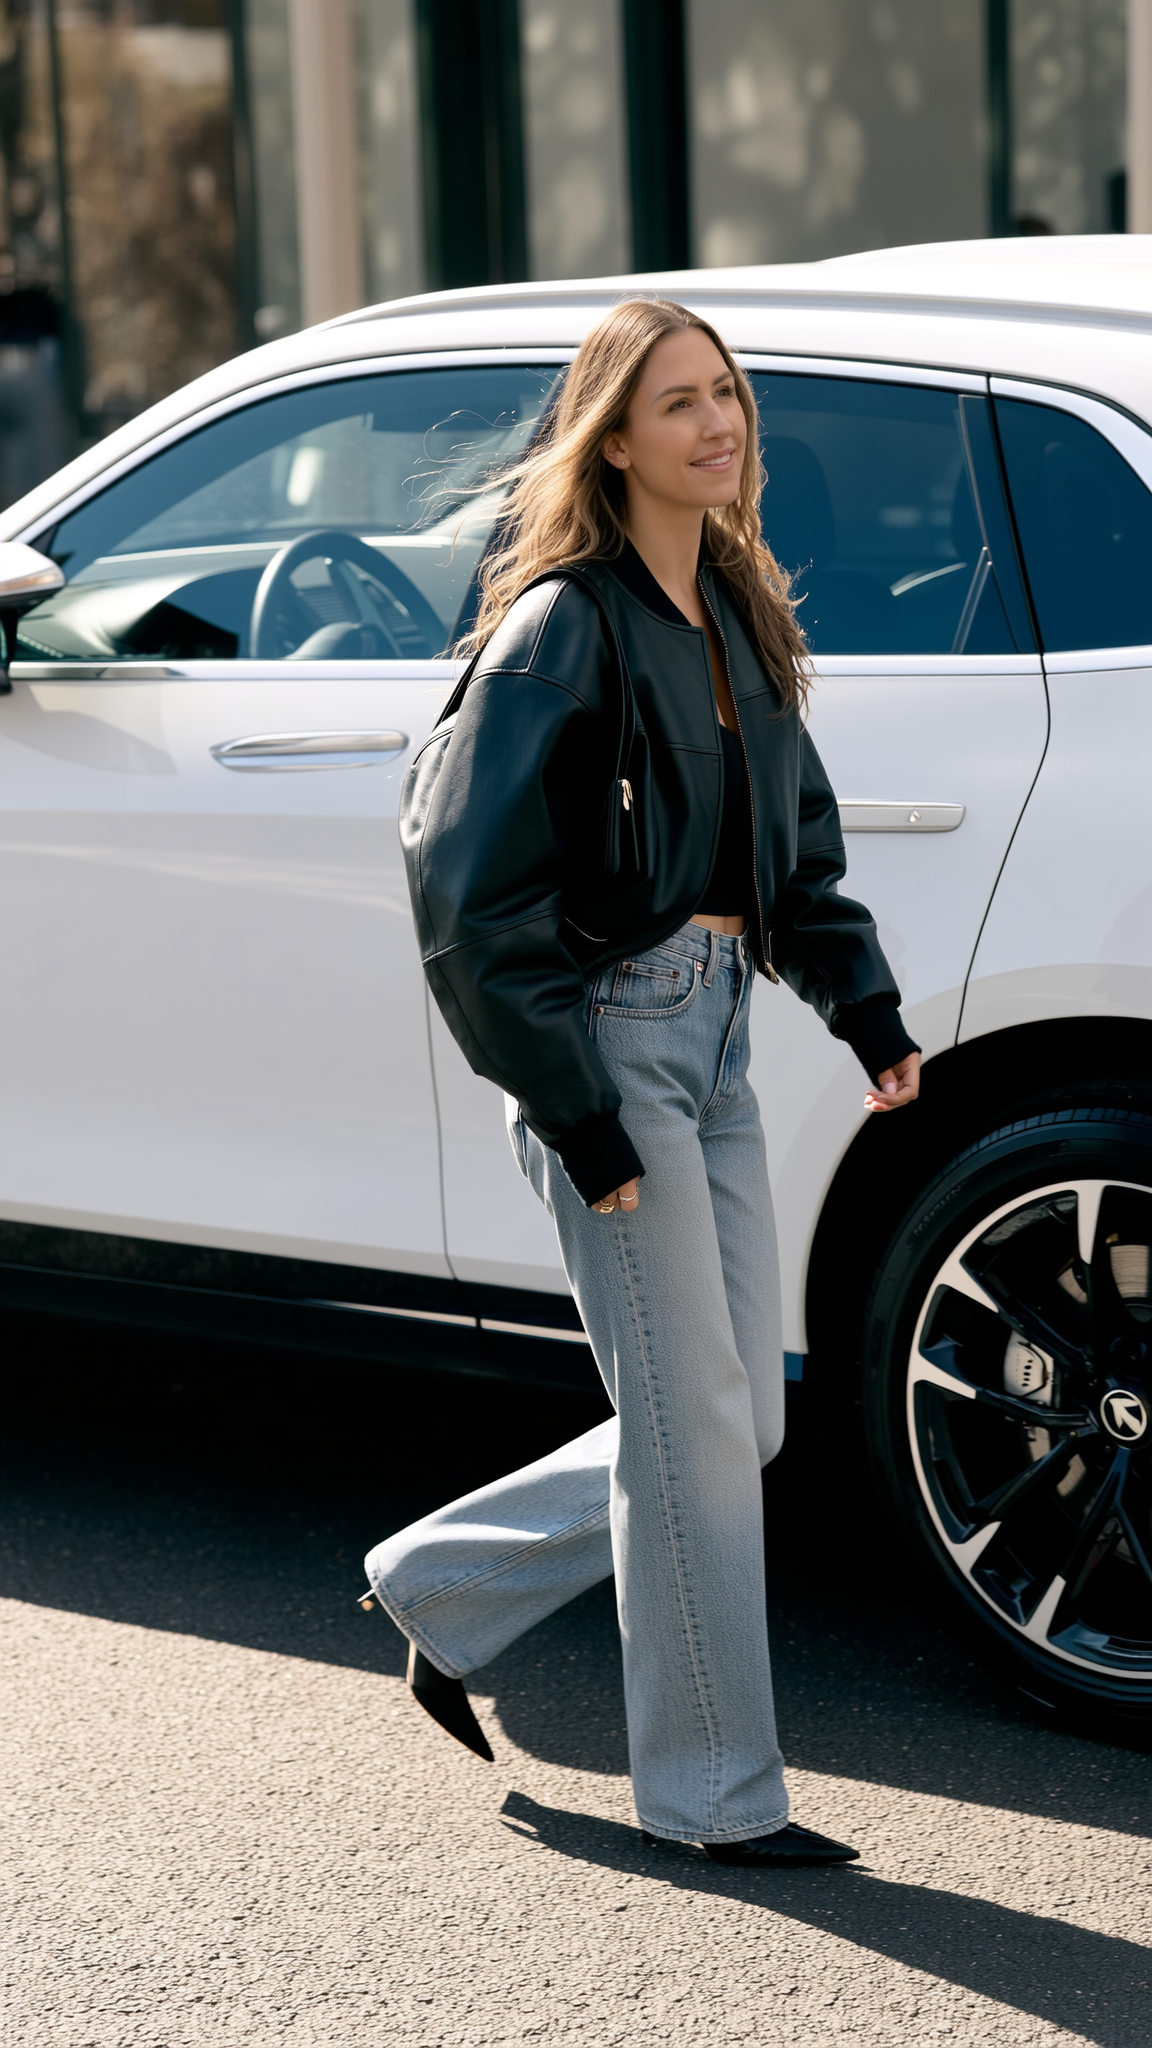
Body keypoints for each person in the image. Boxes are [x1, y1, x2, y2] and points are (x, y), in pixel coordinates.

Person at [362, 298, 920, 1866]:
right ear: (614, 438)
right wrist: (578, 1113)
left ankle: (443, 1583)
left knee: (727, 1420)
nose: (717, 422)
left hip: (718, 1031)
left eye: (728, 394)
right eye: (678, 403)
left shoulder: (735, 615)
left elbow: (794, 851)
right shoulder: (563, 626)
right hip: (610, 1043)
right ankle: (715, 1799)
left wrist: (864, 1011)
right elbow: (466, 902)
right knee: (693, 1421)